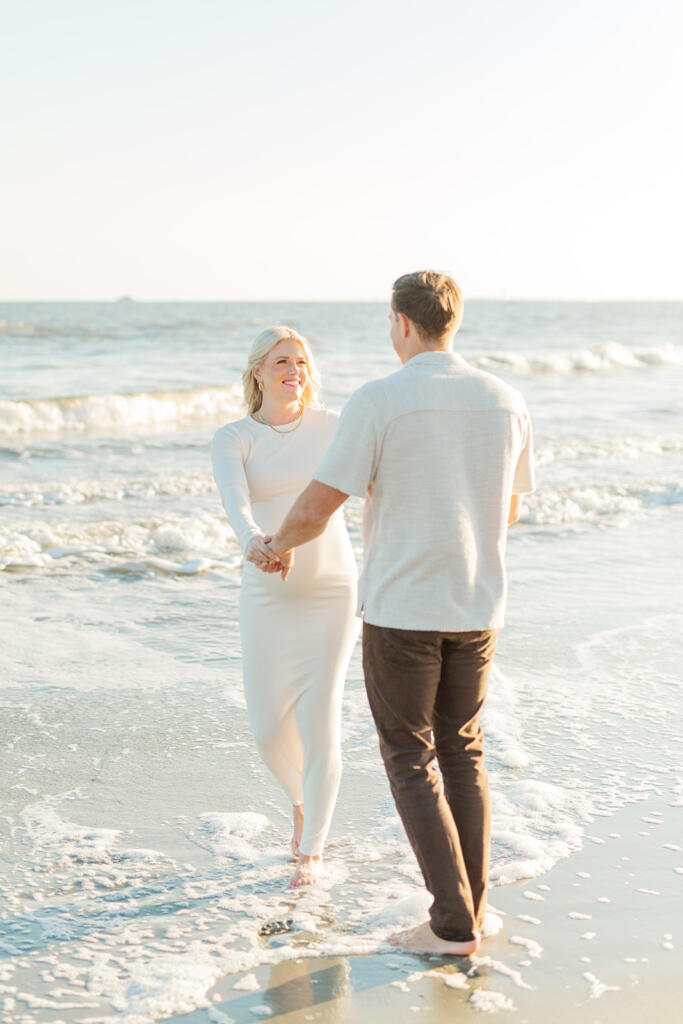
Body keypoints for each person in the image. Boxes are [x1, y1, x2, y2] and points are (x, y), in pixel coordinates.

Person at [259, 271, 534, 951]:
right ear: (451, 322)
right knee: (462, 754)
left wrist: (273, 544)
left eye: (390, 323)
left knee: (409, 758)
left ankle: (451, 923)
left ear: (400, 324)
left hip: (404, 608)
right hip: (478, 604)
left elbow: (321, 503)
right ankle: (472, 909)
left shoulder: (381, 399)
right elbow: (510, 508)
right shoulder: (505, 399)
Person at [211, 326, 359, 888]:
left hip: (331, 588)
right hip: (266, 587)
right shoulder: (234, 437)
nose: (293, 369)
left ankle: (312, 852)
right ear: (258, 372)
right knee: (268, 728)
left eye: (300, 360)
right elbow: (234, 497)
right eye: (280, 361)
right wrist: (254, 542)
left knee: (320, 720)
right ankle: (302, 802)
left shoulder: (334, 427)